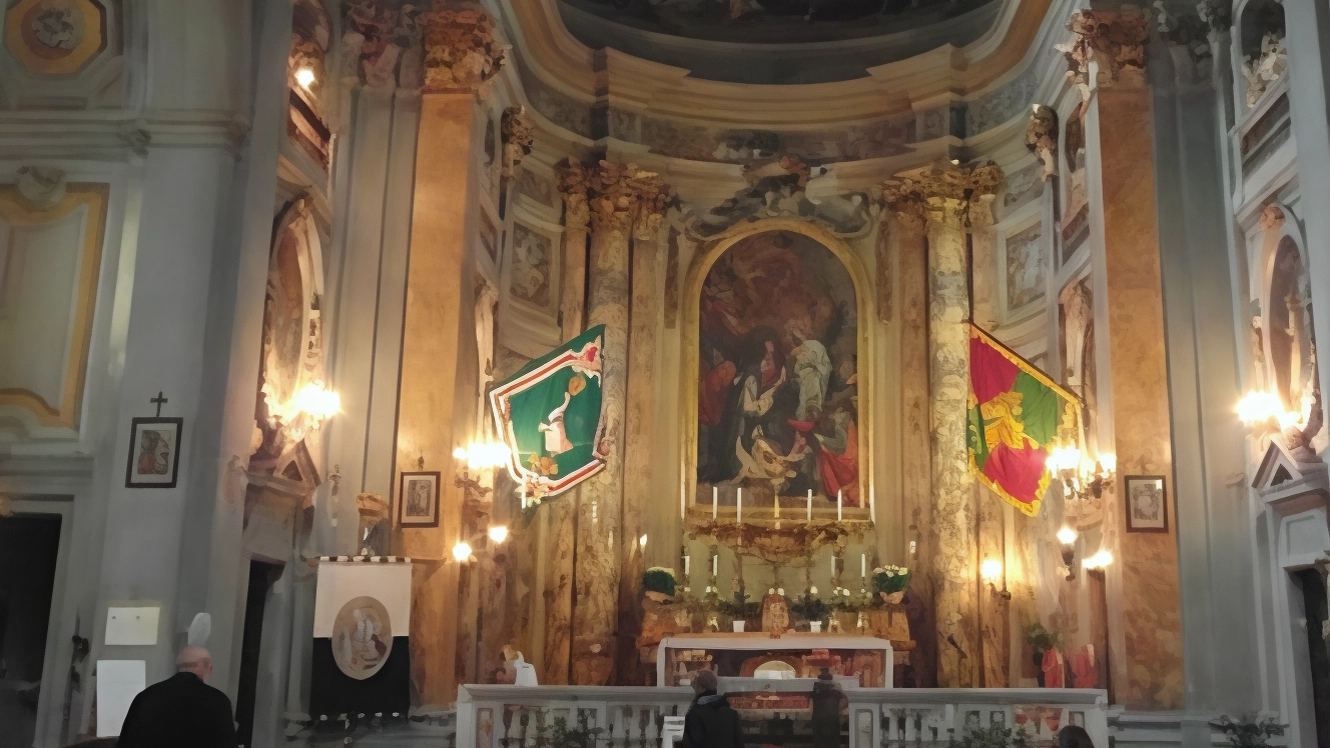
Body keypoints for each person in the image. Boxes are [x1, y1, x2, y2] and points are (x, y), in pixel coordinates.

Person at [116, 646, 238, 748]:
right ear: (207, 666)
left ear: (179, 667)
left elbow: (126, 742)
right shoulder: (218, 700)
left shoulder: (146, 695)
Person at [681, 670, 745, 748]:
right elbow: (740, 744)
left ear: (700, 688)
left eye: (695, 687)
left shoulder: (695, 714)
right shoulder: (731, 713)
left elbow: (692, 744)